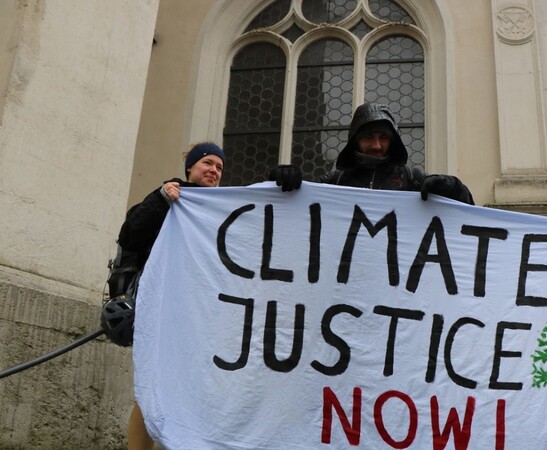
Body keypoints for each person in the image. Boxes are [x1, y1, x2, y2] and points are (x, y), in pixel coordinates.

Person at [116, 142, 225, 450]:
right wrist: (162, 199)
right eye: (207, 163)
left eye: (219, 167)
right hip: (163, 308)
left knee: (192, 391)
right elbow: (131, 234)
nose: (213, 170)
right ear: (190, 168)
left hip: (200, 313)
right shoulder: (166, 197)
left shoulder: (221, 209)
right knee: (153, 389)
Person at [269, 102, 474, 204]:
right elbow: (287, 210)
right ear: (355, 141)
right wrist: (279, 181)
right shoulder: (334, 182)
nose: (376, 145)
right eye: (368, 138)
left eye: (383, 138)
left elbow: (468, 211)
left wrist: (453, 188)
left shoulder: (413, 180)